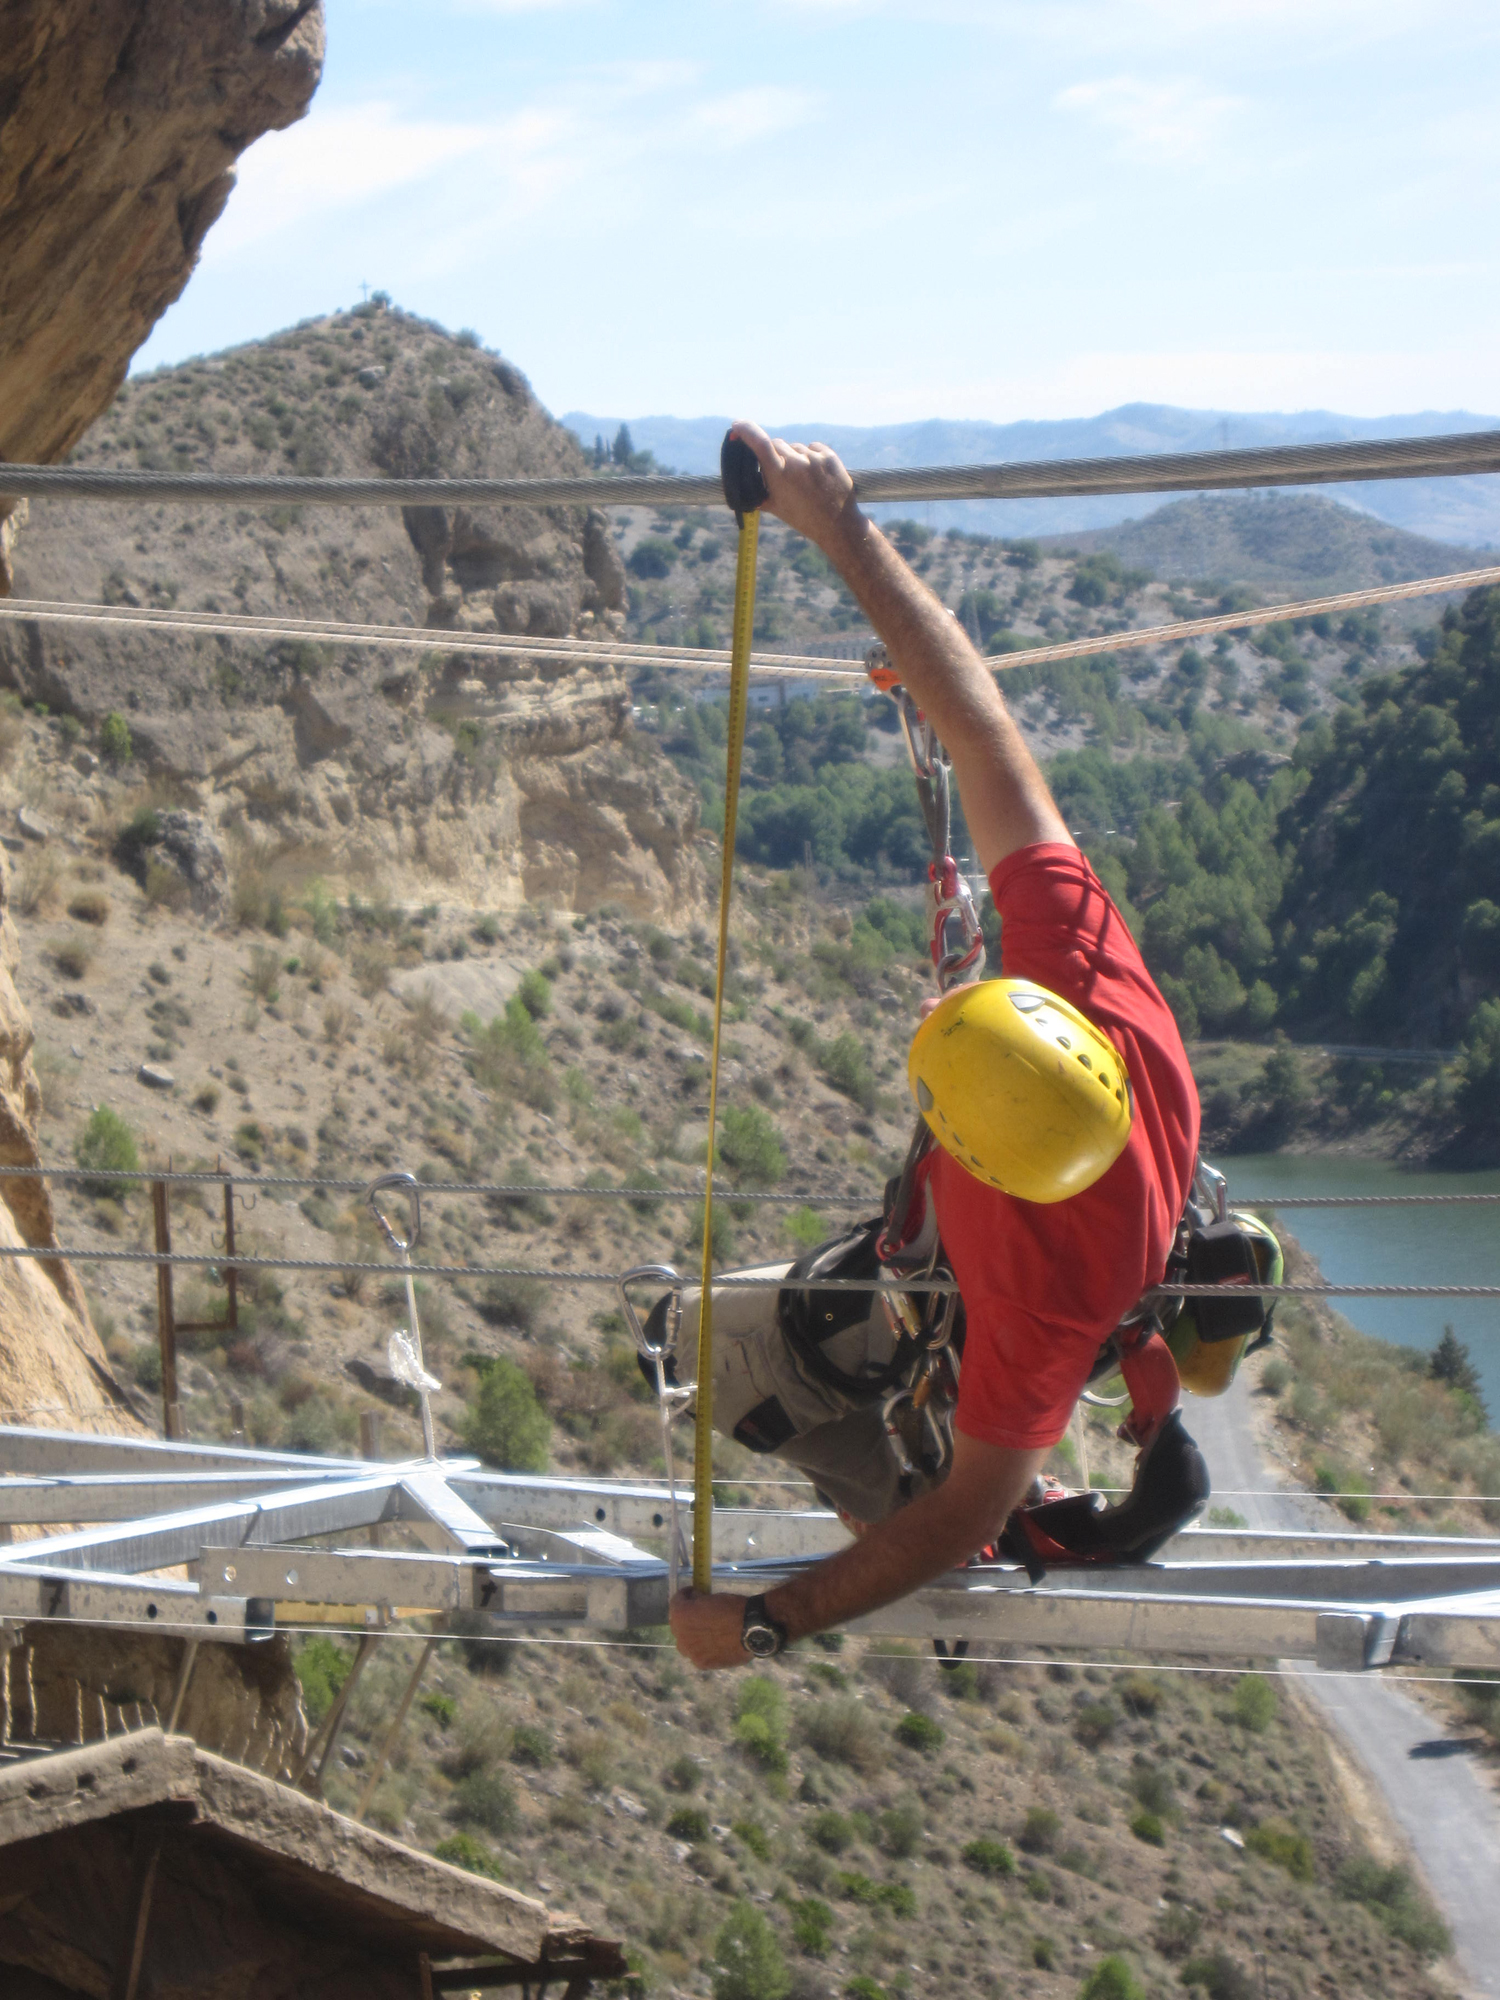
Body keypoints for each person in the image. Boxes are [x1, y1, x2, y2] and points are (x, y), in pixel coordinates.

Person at [669, 421, 1201, 1671]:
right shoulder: (1098, 988)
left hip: (988, 1330)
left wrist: (765, 1619)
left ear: (974, 1152)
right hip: (1055, 1290)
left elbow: (967, 1509)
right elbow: (981, 726)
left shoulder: (1030, 1287)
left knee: (695, 1343)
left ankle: (880, 1502)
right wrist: (835, 524)